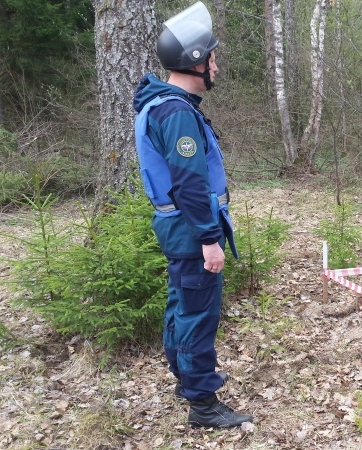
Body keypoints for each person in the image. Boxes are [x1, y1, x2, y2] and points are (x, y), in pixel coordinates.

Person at [133, 1, 252, 427]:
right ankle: (202, 403)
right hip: (190, 231)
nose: (217, 67)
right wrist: (208, 239)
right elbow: (189, 183)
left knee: (181, 308)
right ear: (195, 62)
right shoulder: (176, 112)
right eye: (213, 58)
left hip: (179, 230)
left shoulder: (162, 105)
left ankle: (185, 378)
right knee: (198, 315)